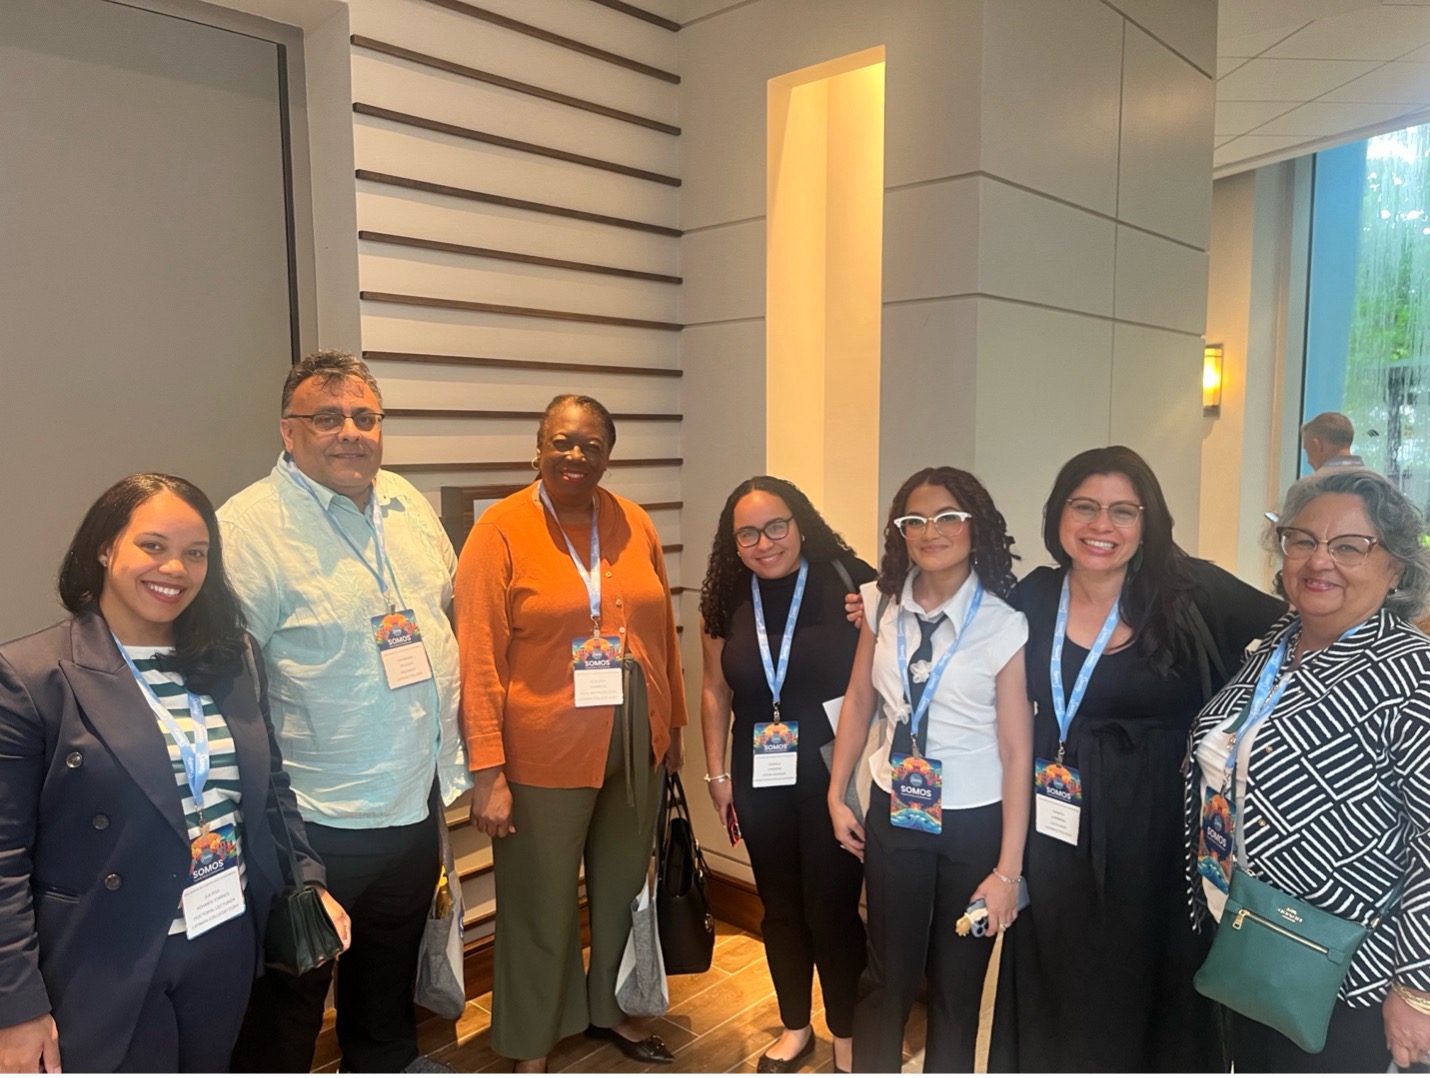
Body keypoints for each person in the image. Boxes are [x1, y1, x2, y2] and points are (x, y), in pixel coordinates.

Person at [0, 474, 350, 1073]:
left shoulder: (232, 656)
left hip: (223, 935)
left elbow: (270, 791)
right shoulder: (32, 676)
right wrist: (16, 1005)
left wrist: (309, 878)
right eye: (153, 546)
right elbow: (5, 858)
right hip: (106, 955)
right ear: (106, 547)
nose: (177, 569)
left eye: (196, 553)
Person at [988, 445, 1286, 1073]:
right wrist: (873, 608)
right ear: (1058, 515)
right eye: (1086, 507)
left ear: (1148, 523)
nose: (1103, 526)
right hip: (1058, 823)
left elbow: (1296, 624)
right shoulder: (1037, 595)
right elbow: (963, 623)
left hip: (1164, 830)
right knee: (1062, 969)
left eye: (1124, 511)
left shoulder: (1190, 590)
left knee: (1156, 974)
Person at [221, 351, 467, 1074]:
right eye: (327, 417)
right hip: (314, 824)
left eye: (365, 416)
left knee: (386, 993)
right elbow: (232, 689)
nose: (350, 432)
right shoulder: (250, 530)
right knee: (291, 1006)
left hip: (413, 806)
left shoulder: (406, 503)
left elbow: (441, 615)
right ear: (288, 432)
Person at [456, 394, 687, 1073]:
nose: (576, 456)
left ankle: (606, 1008)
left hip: (635, 739)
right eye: (562, 442)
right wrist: (488, 772)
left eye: (591, 445)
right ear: (538, 447)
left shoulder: (633, 521)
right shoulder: (499, 531)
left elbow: (659, 632)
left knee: (619, 887)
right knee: (540, 900)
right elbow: (479, 657)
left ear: (608, 454)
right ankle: (530, 1039)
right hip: (543, 748)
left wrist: (670, 727)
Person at [1187, 467, 1430, 1072]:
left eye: (1350, 547)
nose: (1320, 561)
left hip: (1345, 981)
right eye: (1303, 540)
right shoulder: (1278, 641)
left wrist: (1417, 991)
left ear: (1395, 566)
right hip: (1249, 942)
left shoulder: (1412, 676)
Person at [827, 466, 1032, 1073]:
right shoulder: (878, 603)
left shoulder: (1003, 622)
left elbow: (1018, 752)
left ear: (976, 527)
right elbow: (861, 701)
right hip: (896, 810)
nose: (930, 531)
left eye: (947, 517)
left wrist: (1008, 872)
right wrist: (838, 795)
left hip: (974, 824)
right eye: (914, 520)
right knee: (885, 976)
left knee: (958, 986)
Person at [699, 476, 874, 1074]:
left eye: (777, 526)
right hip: (757, 771)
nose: (764, 542)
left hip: (834, 772)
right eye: (747, 532)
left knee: (832, 907)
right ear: (734, 541)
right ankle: (796, 1027)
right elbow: (713, 689)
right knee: (779, 908)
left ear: (801, 524)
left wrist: (873, 609)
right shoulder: (725, 594)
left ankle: (847, 1034)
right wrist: (717, 778)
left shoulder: (851, 581)